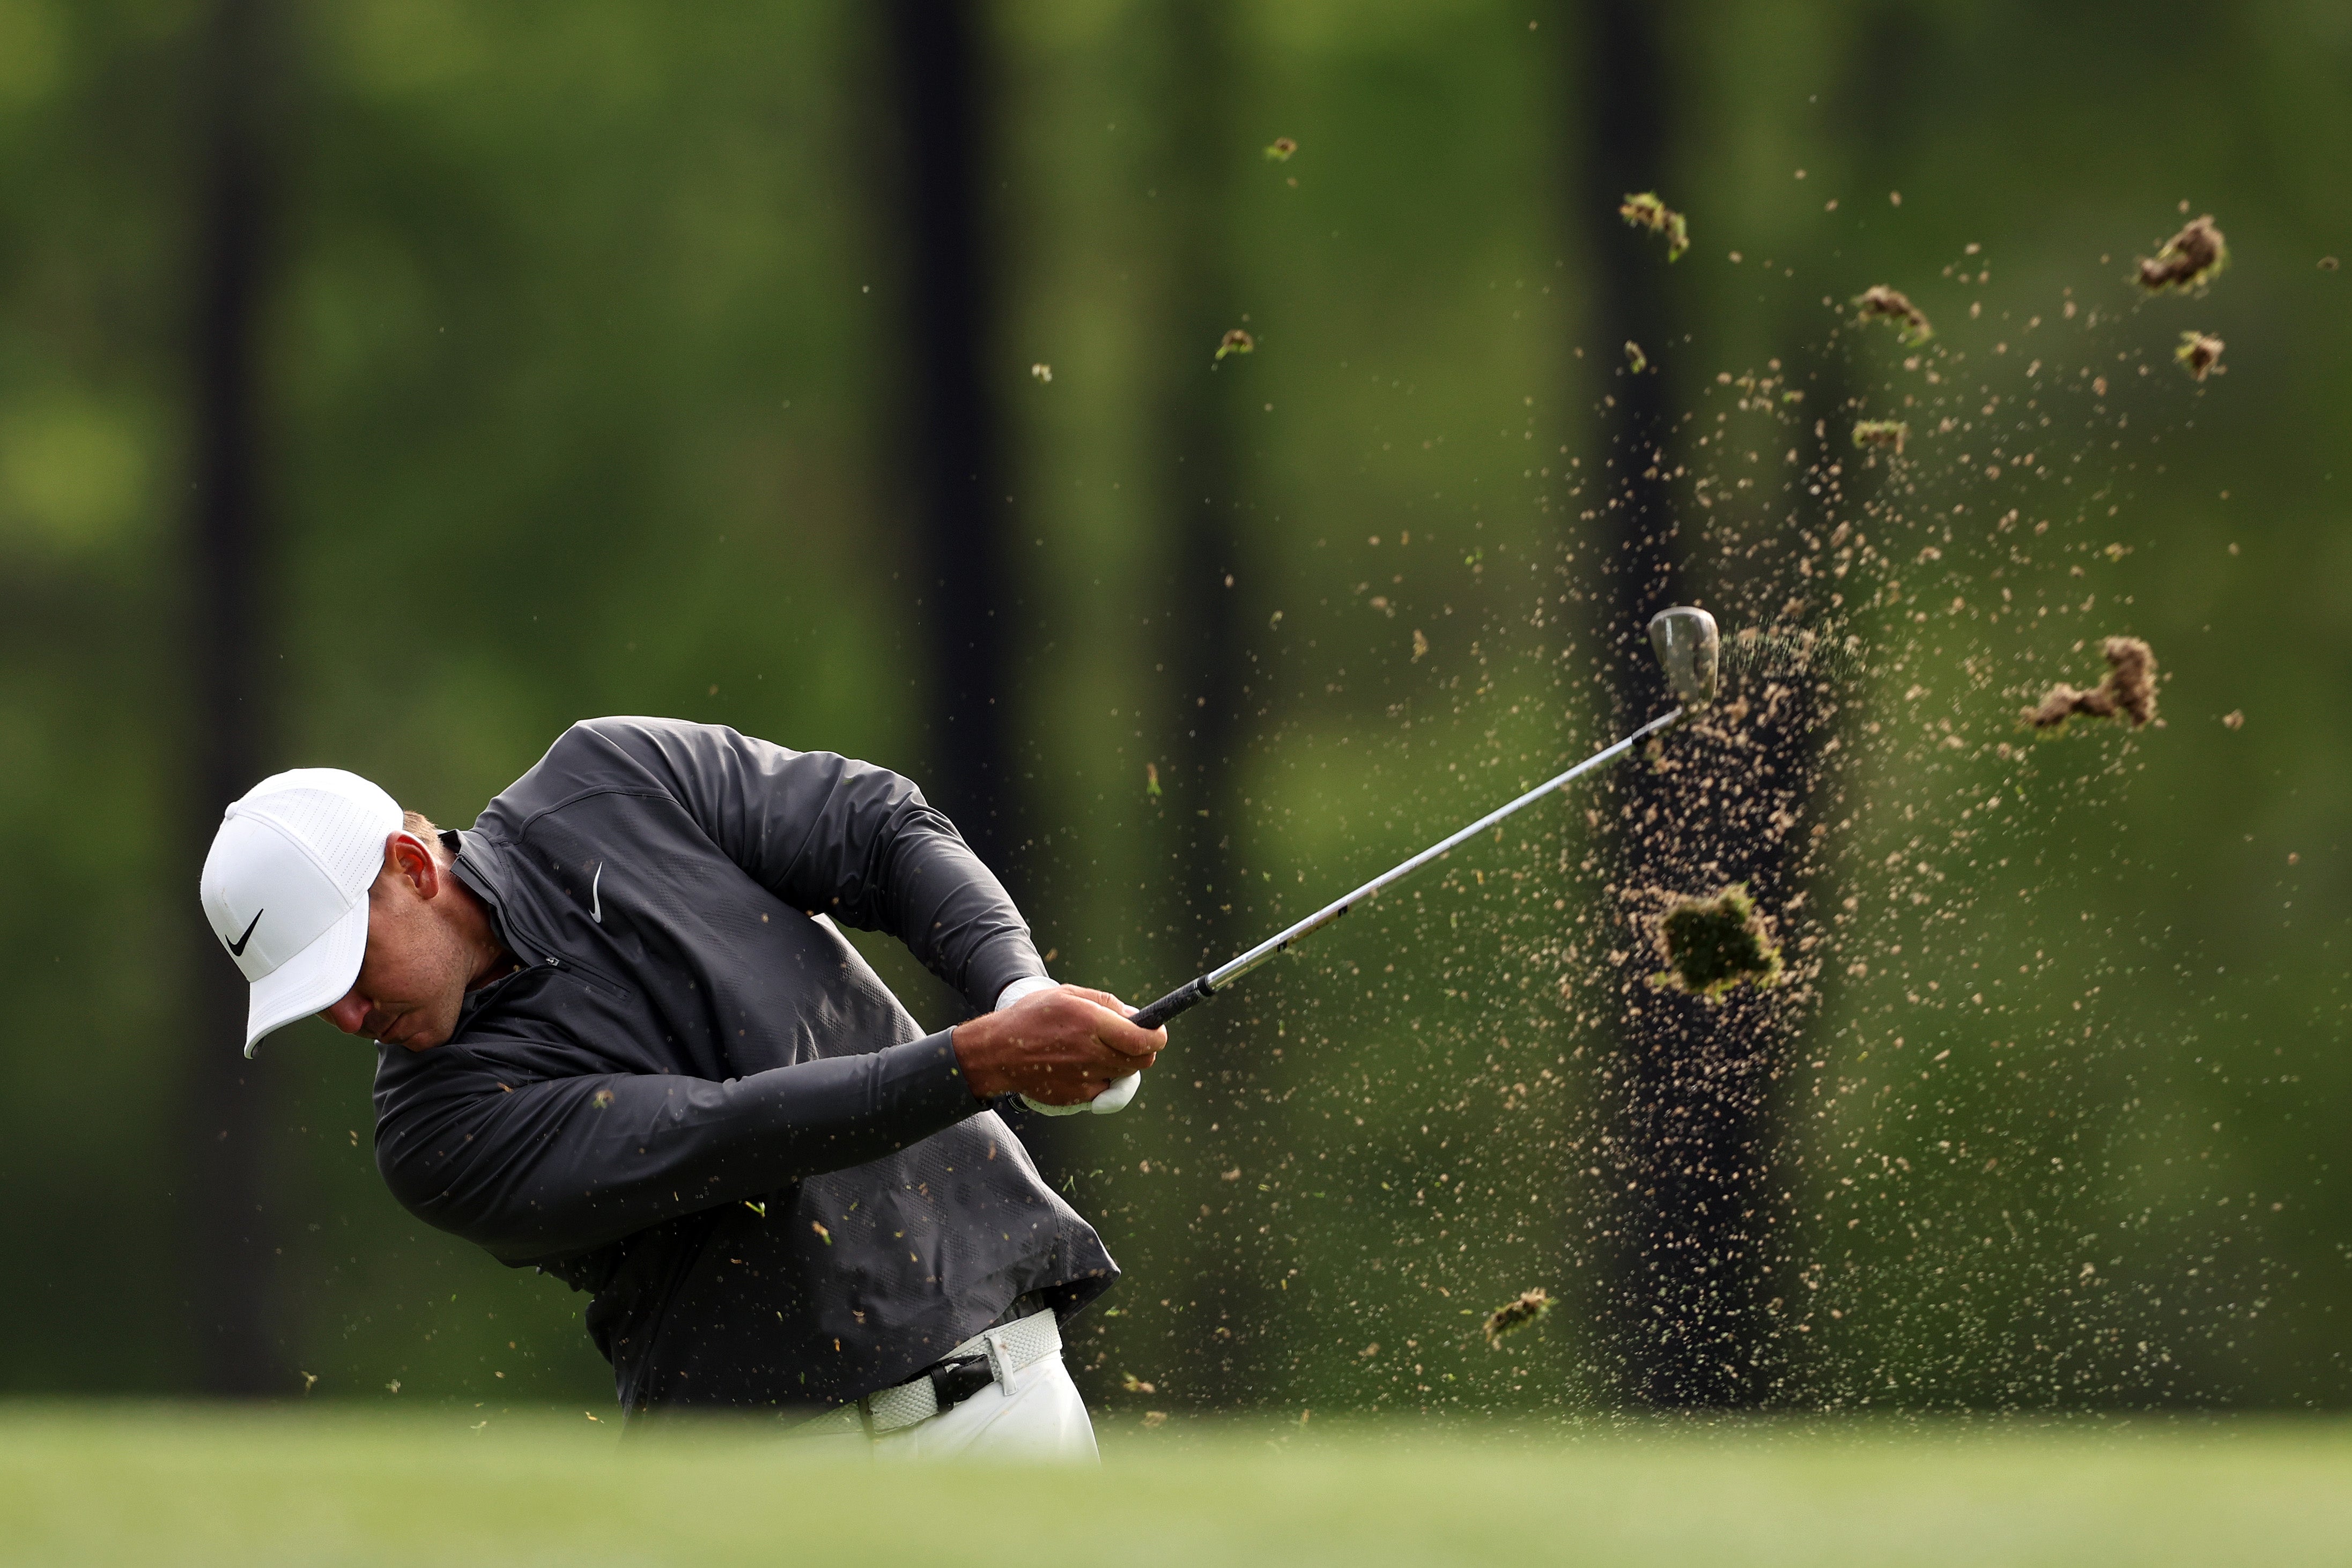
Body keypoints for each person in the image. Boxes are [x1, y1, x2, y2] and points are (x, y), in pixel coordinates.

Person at [196, 716, 1162, 1456]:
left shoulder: (608, 782)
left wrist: (1018, 987)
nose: (350, 1020)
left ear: (409, 868)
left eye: (348, 972)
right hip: (763, 1490)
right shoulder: (434, 1134)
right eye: (315, 1002)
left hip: (1005, 1404)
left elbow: (875, 830)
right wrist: (985, 1059)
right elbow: (728, 1135)